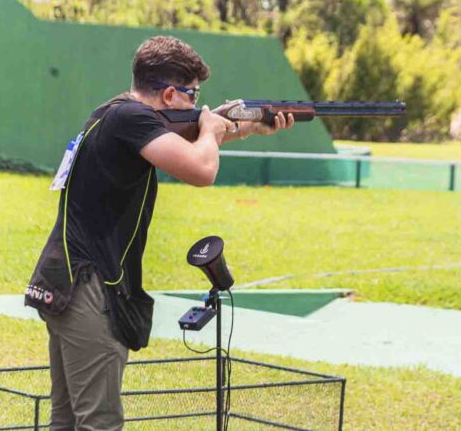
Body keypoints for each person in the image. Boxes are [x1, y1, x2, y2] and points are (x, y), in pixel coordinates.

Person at [24, 35, 294, 430]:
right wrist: (211, 126)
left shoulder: (115, 113)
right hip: (90, 287)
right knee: (99, 422)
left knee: (67, 421)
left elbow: (193, 140)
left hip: (68, 280)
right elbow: (202, 169)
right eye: (192, 95)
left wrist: (246, 126)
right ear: (169, 94)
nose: (196, 104)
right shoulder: (131, 119)